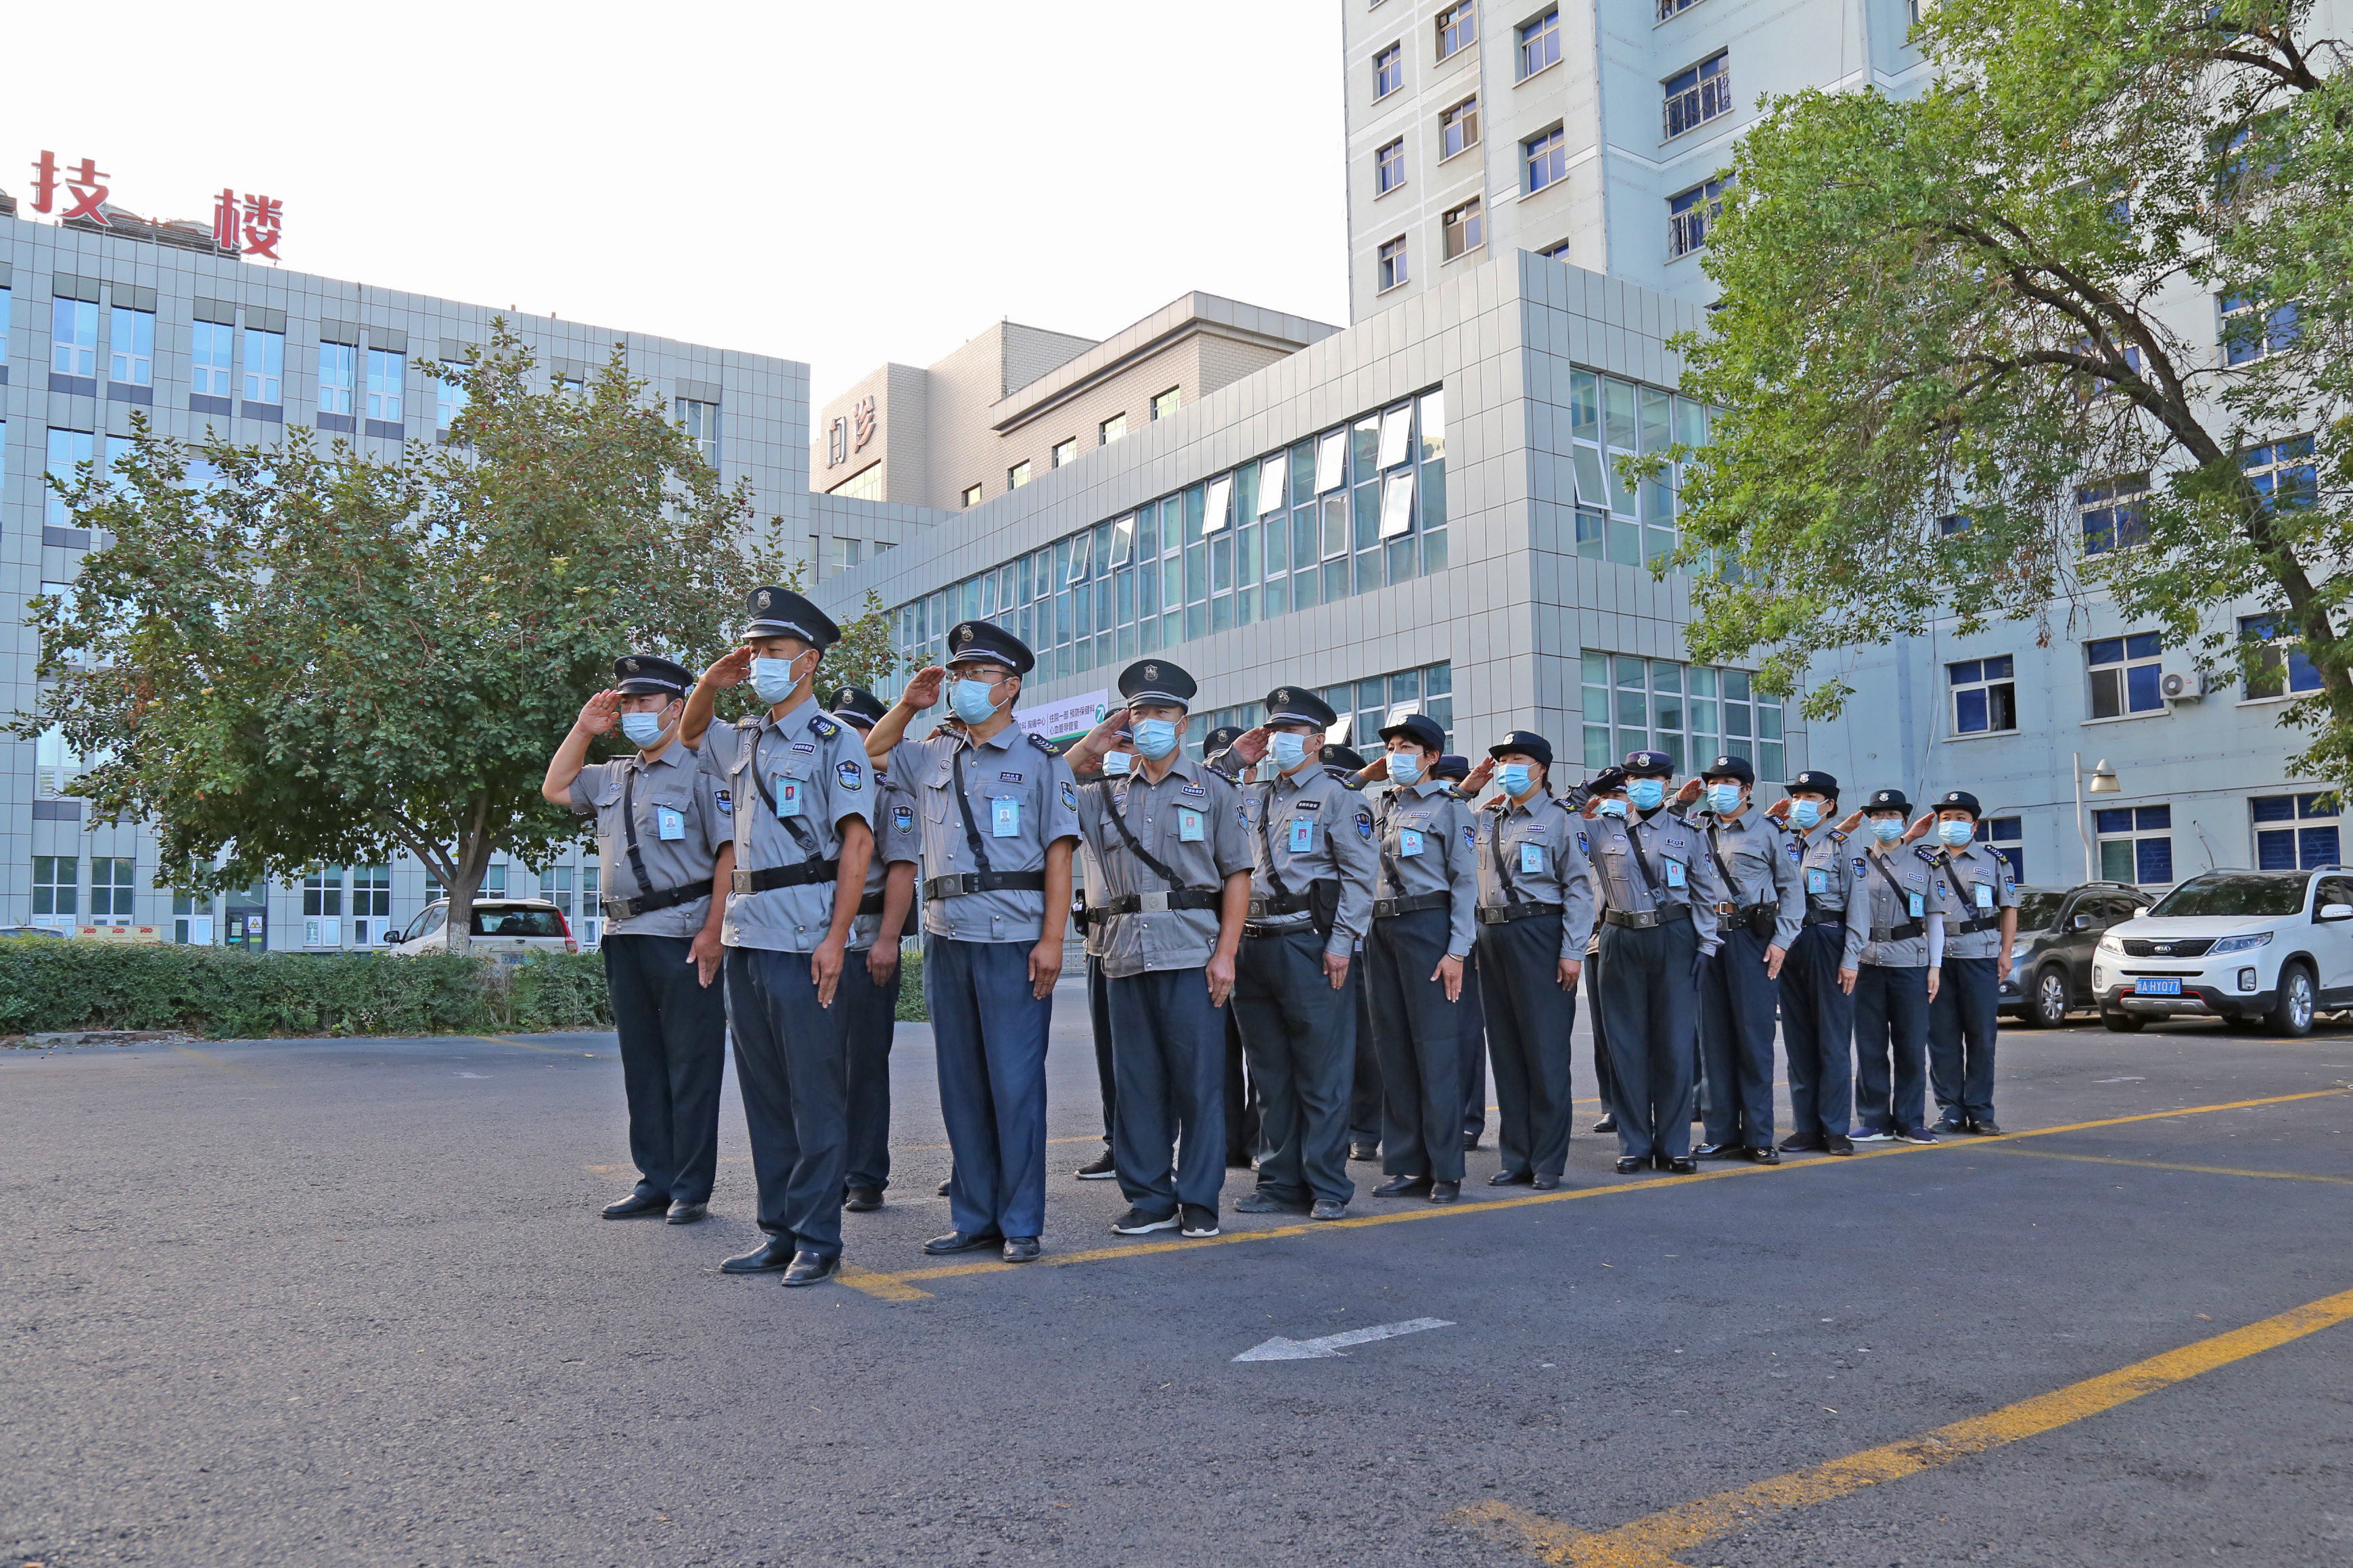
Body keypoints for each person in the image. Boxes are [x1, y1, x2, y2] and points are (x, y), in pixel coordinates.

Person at [862, 620, 1079, 1264]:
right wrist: (909, 703)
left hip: (1013, 937)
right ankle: (974, 1215)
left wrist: (1053, 940)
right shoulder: (931, 752)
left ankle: (1020, 1223)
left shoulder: (1044, 763)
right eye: (956, 674)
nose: (960, 685)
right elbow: (872, 752)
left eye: (974, 676)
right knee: (960, 1084)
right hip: (946, 936)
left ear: (1010, 687)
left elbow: (1060, 857)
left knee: (1015, 1086)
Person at [677, 589, 877, 1288]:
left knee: (814, 1094)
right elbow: (690, 734)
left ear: (809, 661)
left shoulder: (835, 740)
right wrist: (708, 680)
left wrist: (837, 935)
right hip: (748, 935)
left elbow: (856, 844)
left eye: (773, 650)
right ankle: (778, 1229)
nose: (759, 661)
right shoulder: (748, 735)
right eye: (755, 649)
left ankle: (820, 1237)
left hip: (804, 934)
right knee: (763, 1093)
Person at [541, 655, 733, 1226]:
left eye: (643, 703)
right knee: (642, 1065)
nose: (631, 713)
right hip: (624, 935)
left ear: (676, 708)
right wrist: (583, 729)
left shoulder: (703, 770)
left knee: (691, 1065)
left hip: (682, 934)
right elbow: (556, 788)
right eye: (625, 704)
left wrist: (713, 932)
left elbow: (729, 854)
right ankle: (656, 1178)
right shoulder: (615, 774)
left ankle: (691, 1188)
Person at [1064, 662, 1254, 1238]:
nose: (1149, 723)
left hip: (1191, 952)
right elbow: (1042, 787)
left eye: (1161, 713)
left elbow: (1238, 876)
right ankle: (1148, 1197)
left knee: (1198, 1083)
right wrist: (1088, 748)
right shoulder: (1100, 795)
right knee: (1137, 1085)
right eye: (1139, 713)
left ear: (1184, 723)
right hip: (1123, 953)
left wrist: (1227, 954)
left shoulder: (1212, 790)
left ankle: (1199, 1199)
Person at [1210, 689, 1379, 1221]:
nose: (1279, 740)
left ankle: (1327, 1184)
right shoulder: (1251, 794)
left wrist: (1342, 943)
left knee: (1321, 1072)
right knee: (1270, 1074)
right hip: (1253, 944)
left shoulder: (1340, 797)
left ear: (1316, 739)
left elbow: (1359, 878)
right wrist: (1235, 759)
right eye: (1274, 730)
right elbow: (1196, 789)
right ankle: (1279, 1180)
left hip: (1309, 943)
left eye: (1290, 732)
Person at [1463, 731, 1595, 1190]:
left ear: (1540, 768)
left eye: (1517, 759)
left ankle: (1547, 1162)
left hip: (1540, 933)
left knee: (1544, 1052)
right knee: (1506, 1050)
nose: (1506, 767)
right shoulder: (1486, 819)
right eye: (1502, 760)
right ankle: (1516, 1156)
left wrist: (1572, 951)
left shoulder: (1563, 820)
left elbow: (1579, 890)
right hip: (1492, 935)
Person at [1586, 750, 1727, 1174]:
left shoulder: (1690, 832)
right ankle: (1633, 1144)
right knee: (1625, 1045)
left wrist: (1707, 946)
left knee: (1675, 1044)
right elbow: (1561, 821)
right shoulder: (1599, 829)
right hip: (1619, 936)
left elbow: (1705, 893)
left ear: (1666, 785)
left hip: (1674, 936)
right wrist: (1589, 791)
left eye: (1650, 780)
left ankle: (1674, 1144)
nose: (1640, 785)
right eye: (1631, 779)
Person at [1362, 714, 1479, 1203]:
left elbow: (1466, 884)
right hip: (1380, 931)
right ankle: (1407, 1166)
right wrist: (1366, 774)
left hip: (1428, 928)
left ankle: (1446, 1170)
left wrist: (1456, 950)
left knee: (1435, 1051)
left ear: (1432, 757)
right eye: (1390, 746)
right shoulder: (1377, 806)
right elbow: (1331, 787)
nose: (1395, 755)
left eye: (1407, 747)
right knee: (1393, 1051)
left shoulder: (1451, 809)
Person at [825, 686, 921, 1213]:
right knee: (823, 1064)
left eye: (856, 729)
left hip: (867, 947)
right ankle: (830, 1169)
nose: (847, 739)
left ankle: (864, 1175)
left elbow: (903, 870)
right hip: (825, 944)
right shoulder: (825, 787)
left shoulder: (891, 794)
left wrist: (888, 941)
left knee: (863, 1065)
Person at [1691, 755, 1805, 1164]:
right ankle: (1721, 1133)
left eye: (1728, 782)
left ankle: (1758, 1135)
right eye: (1713, 782)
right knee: (1713, 1041)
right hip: (1706, 940)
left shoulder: (1771, 832)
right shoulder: (1696, 829)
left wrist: (1783, 942)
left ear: (1746, 790)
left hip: (1752, 941)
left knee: (1754, 1040)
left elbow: (1793, 890)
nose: (1718, 789)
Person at [1766, 772, 1867, 1156]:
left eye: (1811, 797)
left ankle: (1835, 1128)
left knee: (1833, 1041)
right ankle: (1805, 1127)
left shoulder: (1844, 847)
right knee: (1797, 1040)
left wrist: (1851, 958)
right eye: (1797, 796)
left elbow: (1859, 907)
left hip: (1829, 939)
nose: (1801, 804)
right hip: (1789, 943)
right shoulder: (1781, 843)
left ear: (1830, 806)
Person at [1850, 789, 1946, 1145]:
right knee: (1870, 1045)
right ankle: (1874, 1120)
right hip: (1866, 962)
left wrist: (1935, 968)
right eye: (1877, 816)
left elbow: (1935, 918)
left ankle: (1910, 1121)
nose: (1883, 822)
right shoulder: (1856, 861)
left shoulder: (1925, 863)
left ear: (1904, 822)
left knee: (1910, 1044)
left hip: (1911, 962)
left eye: (1891, 816)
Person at [1923, 789, 2017, 1136]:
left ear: (1974, 825)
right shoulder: (1924, 859)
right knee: (1942, 1037)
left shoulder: (1995, 861)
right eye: (1945, 819)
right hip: (1937, 960)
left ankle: (1980, 1111)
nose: (1951, 825)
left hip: (1980, 955)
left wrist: (2006, 953)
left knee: (1981, 1036)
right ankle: (1949, 1110)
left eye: (1960, 819)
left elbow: (2009, 909)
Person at [1072, 728, 1137, 1182]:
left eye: (1127, 746)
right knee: (1109, 1052)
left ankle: (1153, 1148)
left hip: (1144, 938)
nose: (1117, 754)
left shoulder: (1160, 798)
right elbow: (1043, 784)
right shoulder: (1088, 798)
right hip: (1098, 938)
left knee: (1146, 1055)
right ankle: (1117, 1143)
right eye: (1113, 745)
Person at [1202, 722, 1263, 1167]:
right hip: (1211, 935)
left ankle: (1260, 1140)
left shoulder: (1269, 804)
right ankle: (1222, 1140)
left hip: (1258, 935)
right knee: (1219, 1049)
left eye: (1245, 767)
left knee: (1261, 1046)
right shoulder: (1198, 803)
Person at [1323, 743, 1385, 1163]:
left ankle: (1365, 1127)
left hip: (1358, 946)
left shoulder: (1362, 810)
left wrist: (1358, 779)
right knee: (1327, 1046)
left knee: (1364, 1045)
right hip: (1317, 943)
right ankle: (1336, 1127)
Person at [1432, 754, 1490, 1151]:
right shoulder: (1426, 813)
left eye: (1455, 782)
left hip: (1469, 939)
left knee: (1468, 1034)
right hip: (1427, 935)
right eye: (1443, 782)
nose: (1448, 789)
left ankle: (1470, 1119)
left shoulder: (1484, 819)